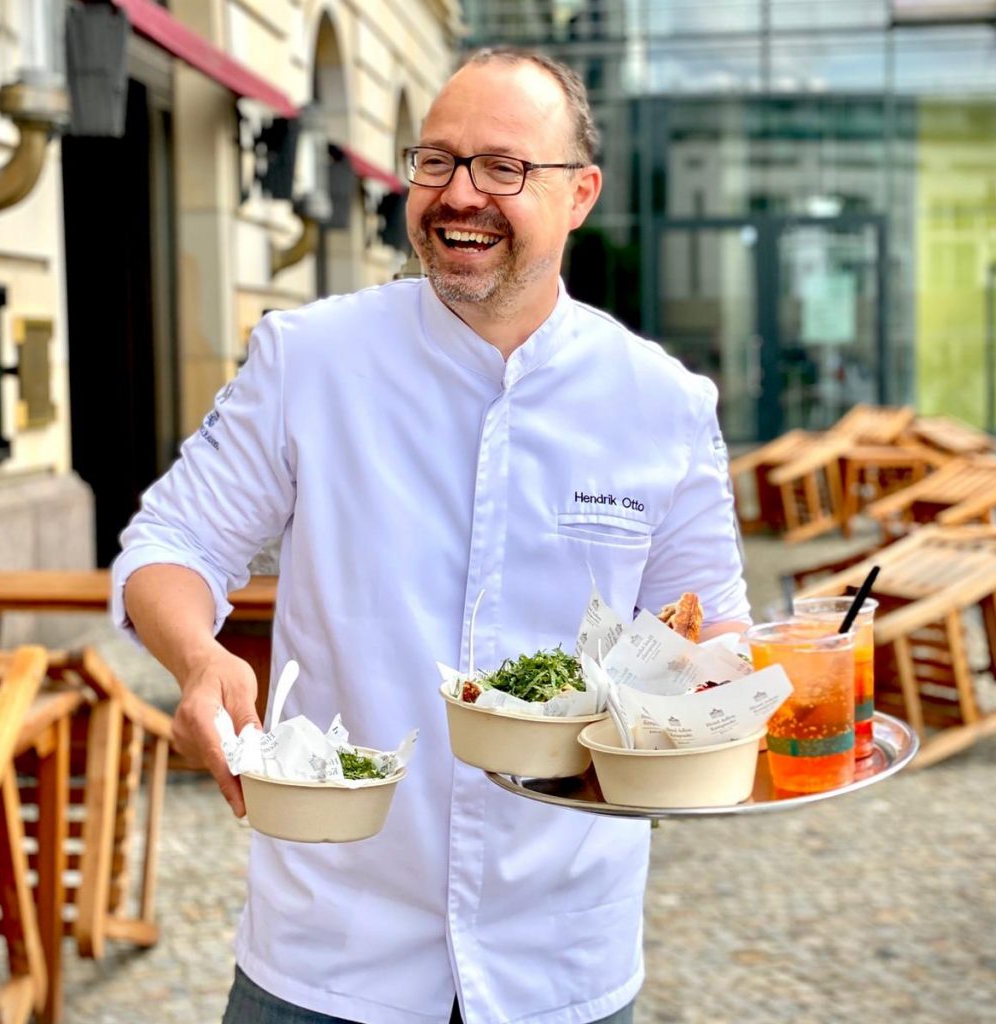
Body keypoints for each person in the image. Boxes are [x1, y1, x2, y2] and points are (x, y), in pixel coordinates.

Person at [112, 48, 750, 1024]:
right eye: (437, 161)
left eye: (503, 167)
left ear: (580, 195)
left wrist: (711, 716)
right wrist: (198, 660)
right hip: (329, 950)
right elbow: (169, 545)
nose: (459, 195)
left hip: (560, 954)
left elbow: (711, 631)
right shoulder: (309, 360)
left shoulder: (661, 402)